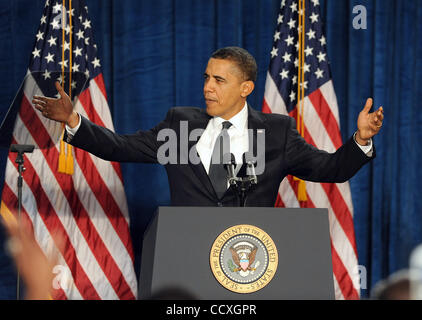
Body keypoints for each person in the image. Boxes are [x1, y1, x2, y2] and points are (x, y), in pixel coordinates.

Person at [32, 47, 383, 207]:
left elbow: (331, 169)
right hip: (186, 257)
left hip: (250, 261)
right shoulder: (181, 125)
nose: (207, 87)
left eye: (219, 80)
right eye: (206, 78)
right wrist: (73, 121)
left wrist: (360, 141)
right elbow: (120, 147)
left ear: (246, 88)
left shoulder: (277, 132)